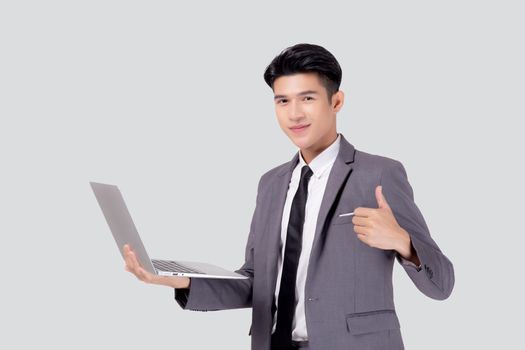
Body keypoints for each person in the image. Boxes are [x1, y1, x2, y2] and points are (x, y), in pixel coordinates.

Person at [123, 43, 455, 350]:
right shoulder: (271, 183)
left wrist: (403, 242)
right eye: (283, 101)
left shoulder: (378, 174)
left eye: (307, 98)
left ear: (336, 101)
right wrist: (177, 281)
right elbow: (256, 284)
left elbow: (442, 285)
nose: (294, 114)